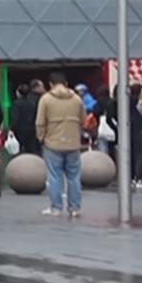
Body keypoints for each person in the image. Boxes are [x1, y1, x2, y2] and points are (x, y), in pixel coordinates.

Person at [37, 72, 85, 218]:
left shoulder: (45, 99)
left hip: (53, 143)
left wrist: (41, 138)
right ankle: (75, 207)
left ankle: (56, 207)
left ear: (50, 84)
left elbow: (40, 122)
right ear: (66, 83)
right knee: (74, 176)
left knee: (54, 176)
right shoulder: (77, 99)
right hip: (73, 143)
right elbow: (83, 118)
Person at [10, 81, 43, 159]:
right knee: (31, 150)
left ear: (18, 93)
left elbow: (15, 118)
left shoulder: (16, 103)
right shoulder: (32, 103)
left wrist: (12, 129)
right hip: (31, 129)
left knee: (19, 151)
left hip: (20, 130)